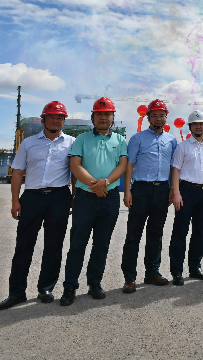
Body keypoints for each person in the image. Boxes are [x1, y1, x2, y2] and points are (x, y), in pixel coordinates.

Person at [0, 101, 74, 310]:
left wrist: (73, 198)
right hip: (32, 197)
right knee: (24, 245)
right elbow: (18, 173)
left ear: (63, 121)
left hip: (59, 196)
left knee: (54, 245)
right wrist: (15, 200)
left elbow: (75, 173)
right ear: (43, 120)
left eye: (59, 118)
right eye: (51, 117)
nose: (55, 121)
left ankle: (45, 288)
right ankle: (16, 293)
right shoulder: (28, 143)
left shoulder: (72, 143)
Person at [60, 97, 128, 305]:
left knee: (102, 243)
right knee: (77, 243)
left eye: (107, 114)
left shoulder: (120, 140)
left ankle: (94, 282)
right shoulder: (81, 139)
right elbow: (75, 166)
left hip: (109, 198)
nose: (103, 118)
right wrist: (95, 185)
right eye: (99, 114)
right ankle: (70, 286)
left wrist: (105, 183)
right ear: (93, 117)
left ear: (113, 117)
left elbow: (122, 165)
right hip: (85, 198)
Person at [121, 99, 178, 294]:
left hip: (162, 189)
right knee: (134, 233)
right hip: (141, 190)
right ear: (148, 118)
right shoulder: (137, 138)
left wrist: (172, 188)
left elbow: (173, 167)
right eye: (154, 115)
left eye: (162, 115)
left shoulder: (171, 140)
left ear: (166, 117)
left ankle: (152, 272)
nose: (158, 118)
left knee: (156, 233)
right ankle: (129, 277)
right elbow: (129, 165)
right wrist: (127, 191)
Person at [169, 110, 203, 286]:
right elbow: (175, 170)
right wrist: (176, 193)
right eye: (195, 124)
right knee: (180, 231)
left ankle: (195, 266)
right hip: (186, 191)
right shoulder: (183, 146)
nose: (198, 127)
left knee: (200, 231)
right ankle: (176, 271)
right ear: (190, 127)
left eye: (201, 124)